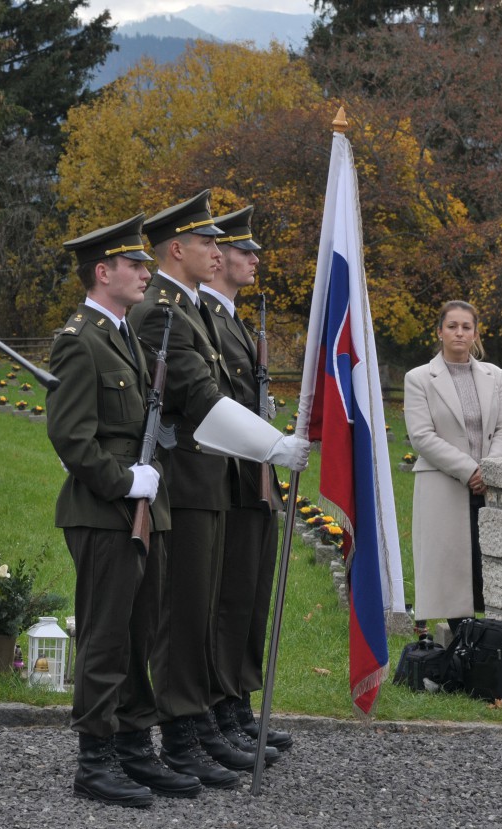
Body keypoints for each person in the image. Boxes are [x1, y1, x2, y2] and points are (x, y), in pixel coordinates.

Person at [127, 191, 308, 788]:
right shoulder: (163, 311)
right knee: (185, 614)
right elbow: (203, 399)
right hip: (187, 481)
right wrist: (273, 446)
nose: (220, 252)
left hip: (214, 479)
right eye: (208, 242)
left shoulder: (191, 310)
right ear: (177, 249)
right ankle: (184, 734)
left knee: (212, 608)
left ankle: (208, 718)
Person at [46, 214, 200, 808]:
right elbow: (71, 437)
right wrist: (124, 481)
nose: (144, 272)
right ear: (102, 272)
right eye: (133, 264)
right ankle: (95, 758)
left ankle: (135, 746)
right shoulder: (79, 340)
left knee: (140, 636)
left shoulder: (124, 335)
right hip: (103, 511)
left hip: (141, 510)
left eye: (143, 263)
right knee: (106, 639)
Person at [198, 206, 292, 753]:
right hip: (228, 475)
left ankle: (237, 701)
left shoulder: (232, 318)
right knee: (228, 598)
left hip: (253, 474)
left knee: (252, 597)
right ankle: (220, 705)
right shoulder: (207, 318)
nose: (254, 259)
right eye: (242, 251)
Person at [403, 301, 502, 635]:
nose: (459, 333)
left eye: (466, 327)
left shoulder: (495, 376)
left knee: (490, 564)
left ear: (475, 333)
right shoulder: (419, 379)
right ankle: (462, 639)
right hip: (444, 485)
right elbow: (422, 436)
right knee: (451, 570)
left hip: (489, 486)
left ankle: (493, 637)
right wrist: (470, 471)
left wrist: (489, 470)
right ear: (439, 332)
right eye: (452, 326)